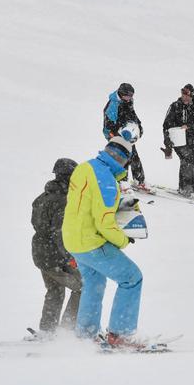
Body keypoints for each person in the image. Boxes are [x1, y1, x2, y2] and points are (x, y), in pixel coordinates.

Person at [62, 137, 144, 349]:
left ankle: (86, 335)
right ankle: (121, 335)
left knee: (94, 283)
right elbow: (105, 223)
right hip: (91, 242)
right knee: (132, 278)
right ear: (123, 160)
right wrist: (124, 240)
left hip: (72, 240)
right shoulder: (106, 180)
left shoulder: (85, 167)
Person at [31, 158, 82, 335]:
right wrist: (71, 257)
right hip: (54, 255)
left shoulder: (41, 198)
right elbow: (59, 233)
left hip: (41, 254)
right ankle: (68, 330)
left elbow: (37, 224)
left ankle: (48, 330)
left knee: (54, 290)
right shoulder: (63, 201)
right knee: (83, 287)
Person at [160, 83, 194, 196]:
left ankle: (192, 186)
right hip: (178, 139)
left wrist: (190, 126)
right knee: (187, 160)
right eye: (183, 94)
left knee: (192, 162)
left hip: (192, 139)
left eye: (187, 95)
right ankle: (185, 187)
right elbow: (166, 125)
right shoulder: (175, 106)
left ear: (191, 95)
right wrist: (167, 142)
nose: (185, 97)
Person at [102, 83, 146, 188]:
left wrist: (139, 127)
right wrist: (116, 136)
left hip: (127, 134)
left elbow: (132, 115)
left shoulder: (128, 101)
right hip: (114, 135)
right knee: (122, 158)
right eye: (127, 96)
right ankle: (122, 182)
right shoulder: (113, 105)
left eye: (131, 96)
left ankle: (139, 181)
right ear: (121, 93)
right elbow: (108, 126)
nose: (129, 98)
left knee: (134, 156)